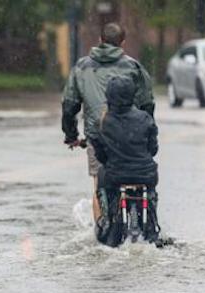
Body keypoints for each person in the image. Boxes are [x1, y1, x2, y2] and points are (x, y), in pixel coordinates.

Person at [61, 23, 155, 222]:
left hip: (97, 136)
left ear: (100, 41)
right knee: (140, 179)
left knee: (98, 185)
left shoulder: (81, 67)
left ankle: (101, 231)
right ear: (122, 43)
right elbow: (147, 104)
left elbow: (69, 106)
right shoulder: (133, 67)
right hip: (132, 136)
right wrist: (146, 131)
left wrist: (71, 136)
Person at [89, 76, 160, 245]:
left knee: (100, 173)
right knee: (151, 192)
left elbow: (100, 155)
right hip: (146, 176)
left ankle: (105, 220)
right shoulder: (145, 119)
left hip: (116, 177)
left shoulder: (103, 122)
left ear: (109, 97)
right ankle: (151, 212)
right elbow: (153, 149)